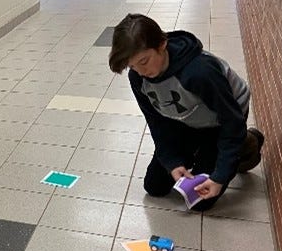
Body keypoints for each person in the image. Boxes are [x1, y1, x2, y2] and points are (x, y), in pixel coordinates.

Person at [108, 14, 265, 211]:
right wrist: (172, 161)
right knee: (154, 186)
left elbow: (231, 121)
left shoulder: (199, 72)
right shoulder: (138, 78)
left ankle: (247, 142)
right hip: (184, 119)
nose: (140, 71)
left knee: (201, 201)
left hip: (221, 122)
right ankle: (202, 150)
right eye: (132, 66)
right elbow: (157, 122)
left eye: (144, 61)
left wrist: (220, 175)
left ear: (161, 44)